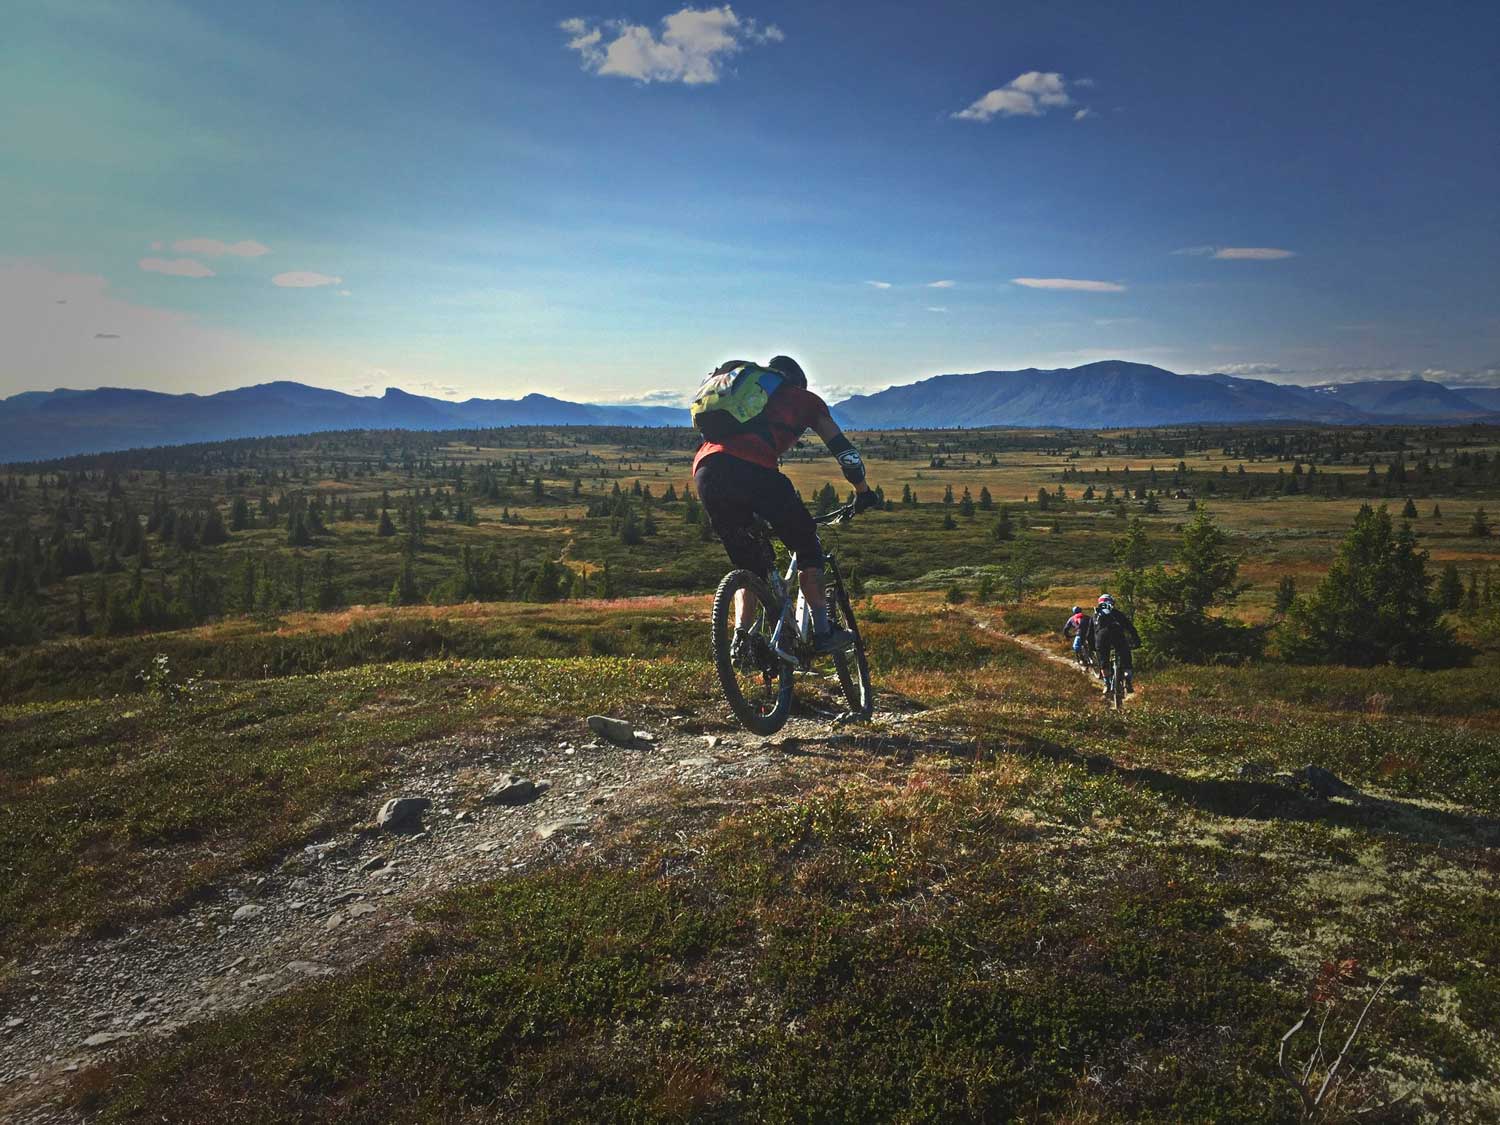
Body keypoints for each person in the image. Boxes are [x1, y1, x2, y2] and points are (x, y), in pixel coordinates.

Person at [692, 355, 880, 653]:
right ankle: (822, 631)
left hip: (706, 472)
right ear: (797, 382)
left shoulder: (740, 396)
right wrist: (863, 491)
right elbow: (845, 453)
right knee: (806, 545)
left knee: (749, 566)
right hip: (754, 471)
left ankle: (743, 638)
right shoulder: (803, 400)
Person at [1092, 593, 1141, 694]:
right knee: (1125, 657)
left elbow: (1089, 632)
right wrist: (1137, 640)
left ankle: (1107, 684)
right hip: (1117, 635)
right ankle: (1128, 679)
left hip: (1101, 638)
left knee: (1104, 662)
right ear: (1111, 603)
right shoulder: (1117, 613)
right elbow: (1130, 627)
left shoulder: (1096, 614)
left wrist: (1093, 646)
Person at [1063, 605, 1095, 671]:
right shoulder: (1087, 617)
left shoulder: (1072, 618)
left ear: (1073, 612)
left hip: (1080, 634)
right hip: (1091, 633)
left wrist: (1068, 636)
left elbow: (1065, 629)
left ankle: (1082, 661)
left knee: (1076, 647)